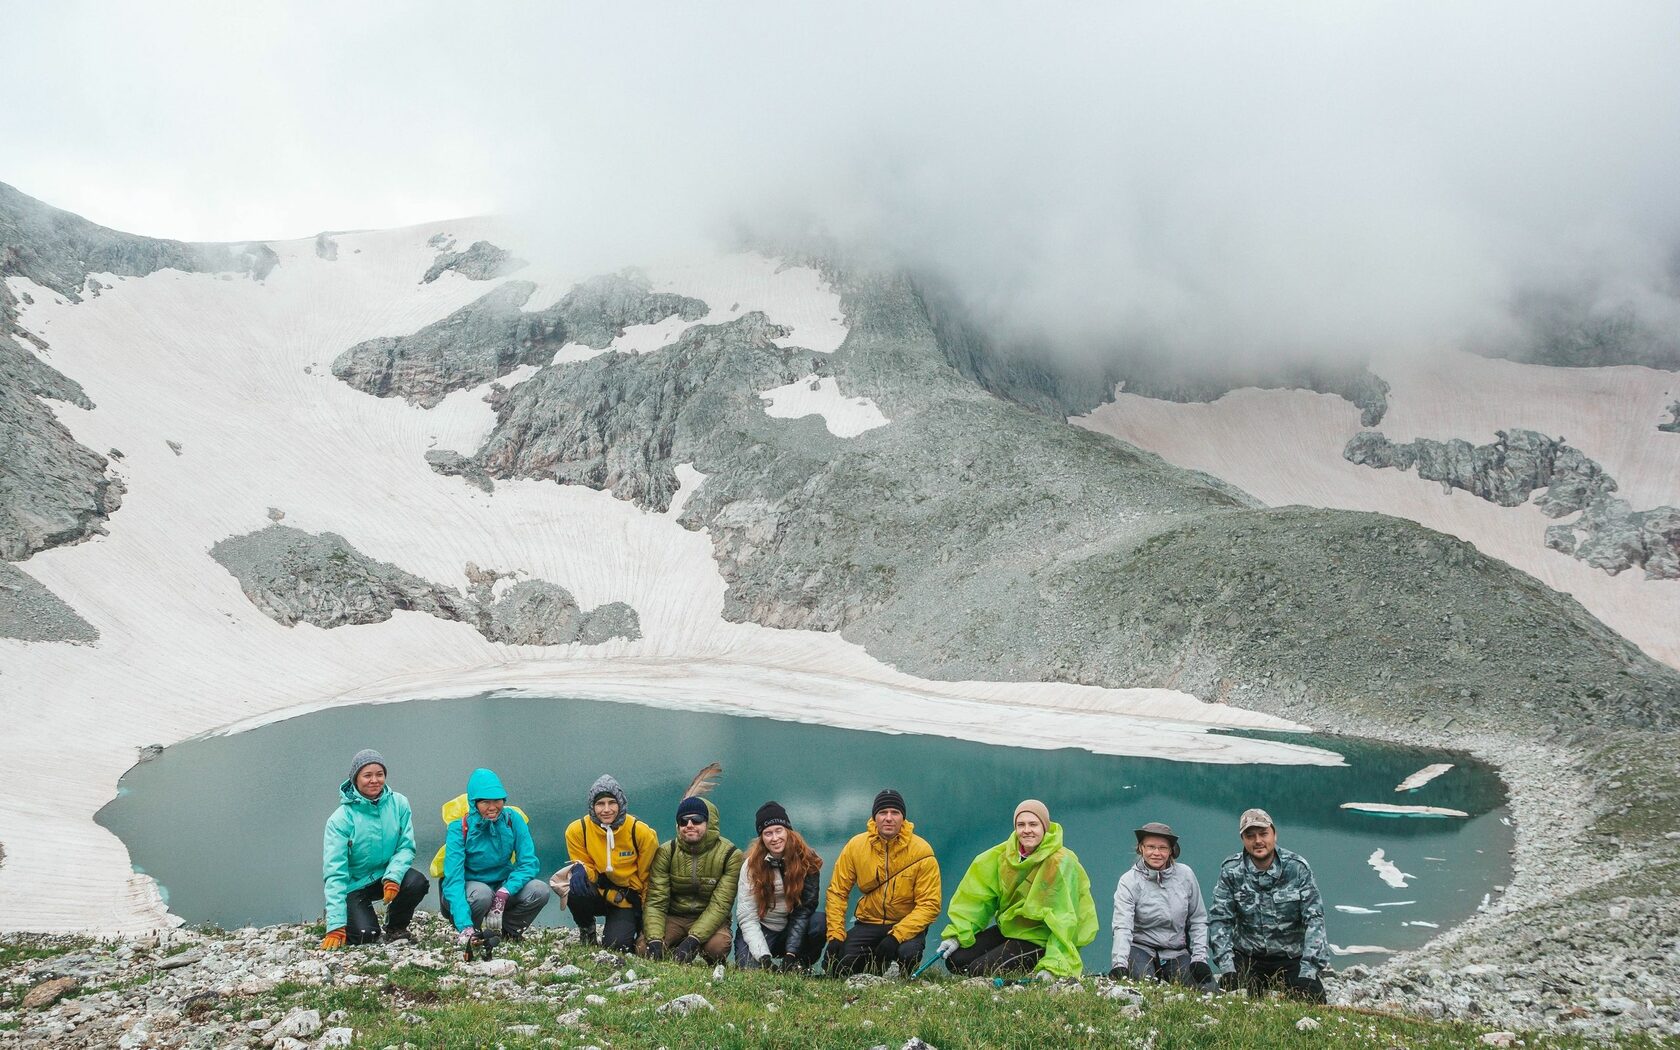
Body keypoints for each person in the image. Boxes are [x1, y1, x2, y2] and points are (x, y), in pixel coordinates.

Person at [938, 799, 1097, 978]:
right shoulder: (1002, 856)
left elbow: (1065, 919)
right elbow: (976, 899)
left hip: (1041, 938)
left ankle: (1039, 962)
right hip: (1010, 929)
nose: (1027, 830)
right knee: (956, 961)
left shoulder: (1061, 862)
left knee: (979, 971)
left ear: (1044, 827)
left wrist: (1054, 965)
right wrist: (957, 935)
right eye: (1021, 824)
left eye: (1033, 824)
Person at [1208, 808, 1328, 1002]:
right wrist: (1227, 966)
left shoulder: (1297, 868)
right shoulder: (1231, 871)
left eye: (1263, 834)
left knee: (1312, 1000)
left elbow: (1314, 920)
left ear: (1274, 834)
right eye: (1250, 836)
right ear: (1243, 839)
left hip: (1291, 959)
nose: (1258, 841)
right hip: (1248, 957)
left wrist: (1308, 970)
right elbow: (1220, 920)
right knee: (1232, 1002)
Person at [825, 789, 942, 976]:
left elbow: (929, 905)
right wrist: (836, 936)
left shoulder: (922, 851)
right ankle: (874, 967)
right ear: (874, 818)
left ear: (903, 818)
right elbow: (838, 892)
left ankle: (900, 974)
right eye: (883, 813)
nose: (889, 818)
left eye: (895, 813)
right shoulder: (856, 846)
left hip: (905, 922)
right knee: (841, 966)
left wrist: (896, 937)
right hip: (869, 922)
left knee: (908, 954)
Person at [320, 749, 429, 948]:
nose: (374, 780)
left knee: (416, 882)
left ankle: (396, 927)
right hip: (353, 885)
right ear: (355, 779)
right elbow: (335, 872)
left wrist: (393, 878)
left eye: (379, 774)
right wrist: (336, 925)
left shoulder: (399, 804)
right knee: (365, 935)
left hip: (385, 877)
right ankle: (342, 911)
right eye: (367, 775)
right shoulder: (340, 820)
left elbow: (405, 847)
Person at [441, 768, 550, 945]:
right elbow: (453, 879)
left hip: (502, 884)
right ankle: (471, 932)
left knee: (540, 890)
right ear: (474, 803)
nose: (493, 807)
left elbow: (528, 863)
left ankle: (510, 932)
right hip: (471, 890)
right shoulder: (459, 828)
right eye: (485, 802)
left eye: (497, 800)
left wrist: (504, 893)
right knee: (482, 895)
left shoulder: (513, 820)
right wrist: (464, 924)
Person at [1109, 821, 1216, 991]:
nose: (1156, 853)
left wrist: (1199, 959)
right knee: (1145, 988)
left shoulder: (1185, 875)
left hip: (1176, 951)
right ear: (1141, 848)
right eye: (1150, 847)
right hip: (1140, 948)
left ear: (1171, 851)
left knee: (1208, 991)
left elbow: (1198, 919)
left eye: (1163, 848)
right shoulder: (1129, 881)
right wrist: (1119, 963)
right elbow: (1123, 926)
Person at [642, 795, 743, 964]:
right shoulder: (667, 852)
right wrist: (654, 941)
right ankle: (673, 949)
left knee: (716, 948)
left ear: (709, 823)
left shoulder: (730, 855)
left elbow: (721, 904)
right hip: (675, 916)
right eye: (683, 821)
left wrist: (693, 940)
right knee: (644, 950)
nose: (689, 825)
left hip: (712, 917)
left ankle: (702, 955)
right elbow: (655, 901)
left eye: (696, 820)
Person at [562, 774, 658, 951]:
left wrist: (646, 917)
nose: (606, 809)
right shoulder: (577, 831)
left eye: (611, 803)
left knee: (617, 946)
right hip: (597, 893)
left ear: (621, 804)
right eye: (600, 804)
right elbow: (585, 864)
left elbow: (649, 878)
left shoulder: (641, 832)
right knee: (571, 885)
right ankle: (587, 929)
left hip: (625, 900)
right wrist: (580, 869)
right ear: (592, 806)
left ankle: (630, 925)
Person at [734, 801, 825, 971]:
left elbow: (804, 910)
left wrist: (790, 953)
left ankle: (799, 965)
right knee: (749, 970)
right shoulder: (751, 865)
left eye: (778, 831)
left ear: (788, 831)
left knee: (819, 923)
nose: (775, 838)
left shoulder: (807, 860)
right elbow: (747, 917)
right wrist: (764, 958)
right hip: (763, 926)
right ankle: (767, 959)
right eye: (768, 833)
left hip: (790, 928)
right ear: (761, 838)